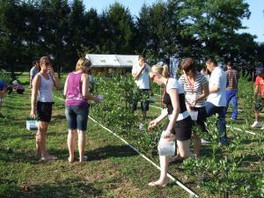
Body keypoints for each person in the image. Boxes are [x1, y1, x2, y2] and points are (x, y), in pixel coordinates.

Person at [147, 64, 193, 187]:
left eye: (152, 78)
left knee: (184, 154)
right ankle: (163, 179)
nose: (152, 81)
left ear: (156, 75)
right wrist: (157, 120)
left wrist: (168, 128)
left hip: (182, 121)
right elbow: (170, 109)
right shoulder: (167, 85)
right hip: (172, 120)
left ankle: (204, 169)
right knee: (163, 146)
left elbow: (177, 108)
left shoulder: (172, 84)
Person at [64, 57, 101, 163]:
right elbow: (85, 94)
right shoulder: (84, 76)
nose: (89, 69)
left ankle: (71, 156)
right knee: (81, 132)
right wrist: (95, 98)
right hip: (80, 105)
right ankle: (81, 157)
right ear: (85, 66)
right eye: (89, 67)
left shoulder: (69, 75)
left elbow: (65, 92)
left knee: (71, 132)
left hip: (69, 104)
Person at [30, 56, 60, 161]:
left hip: (49, 104)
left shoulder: (50, 75)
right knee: (42, 130)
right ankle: (44, 155)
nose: (48, 65)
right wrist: (32, 108)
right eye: (46, 63)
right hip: (42, 104)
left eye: (49, 63)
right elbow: (33, 94)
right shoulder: (38, 76)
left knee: (41, 130)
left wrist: (53, 74)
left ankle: (38, 152)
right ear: (40, 64)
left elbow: (58, 86)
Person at [178, 58, 209, 157]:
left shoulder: (202, 78)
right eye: (184, 71)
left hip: (199, 108)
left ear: (192, 69)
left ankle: (196, 154)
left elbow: (206, 93)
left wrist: (196, 99)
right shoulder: (182, 78)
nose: (186, 73)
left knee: (197, 133)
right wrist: (187, 104)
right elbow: (180, 93)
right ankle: (181, 154)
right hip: (186, 108)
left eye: (187, 70)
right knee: (183, 132)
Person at [205, 58, 228, 145]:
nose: (207, 68)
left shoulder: (216, 72)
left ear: (211, 64)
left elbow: (216, 88)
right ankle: (223, 142)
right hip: (221, 101)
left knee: (200, 116)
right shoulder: (222, 71)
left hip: (214, 101)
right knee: (220, 122)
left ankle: (205, 136)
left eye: (207, 65)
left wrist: (205, 91)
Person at [131, 55, 151, 130]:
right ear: (138, 60)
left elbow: (150, 76)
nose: (144, 62)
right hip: (137, 88)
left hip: (146, 89)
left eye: (144, 60)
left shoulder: (147, 66)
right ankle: (131, 121)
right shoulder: (135, 66)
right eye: (142, 60)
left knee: (144, 108)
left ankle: (142, 124)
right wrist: (142, 68)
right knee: (133, 106)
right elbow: (135, 77)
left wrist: (150, 88)